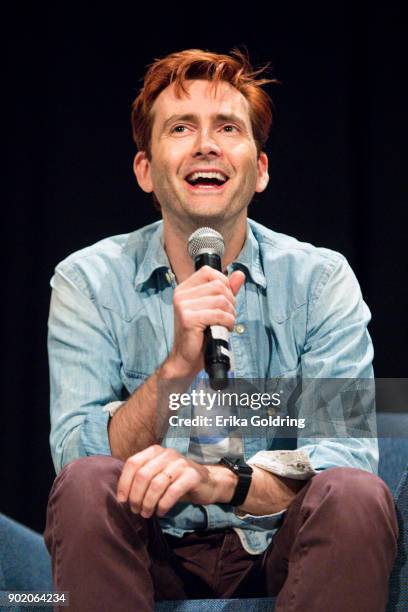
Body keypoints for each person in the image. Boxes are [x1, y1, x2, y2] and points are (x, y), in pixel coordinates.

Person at [44, 49, 398, 611]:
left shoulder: (319, 281)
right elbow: (79, 457)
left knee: (355, 495)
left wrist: (223, 483)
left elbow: (344, 456)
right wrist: (176, 370)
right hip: (147, 547)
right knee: (89, 485)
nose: (205, 144)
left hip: (279, 548)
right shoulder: (87, 282)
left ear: (259, 170)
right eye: (181, 128)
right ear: (145, 171)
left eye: (228, 127)